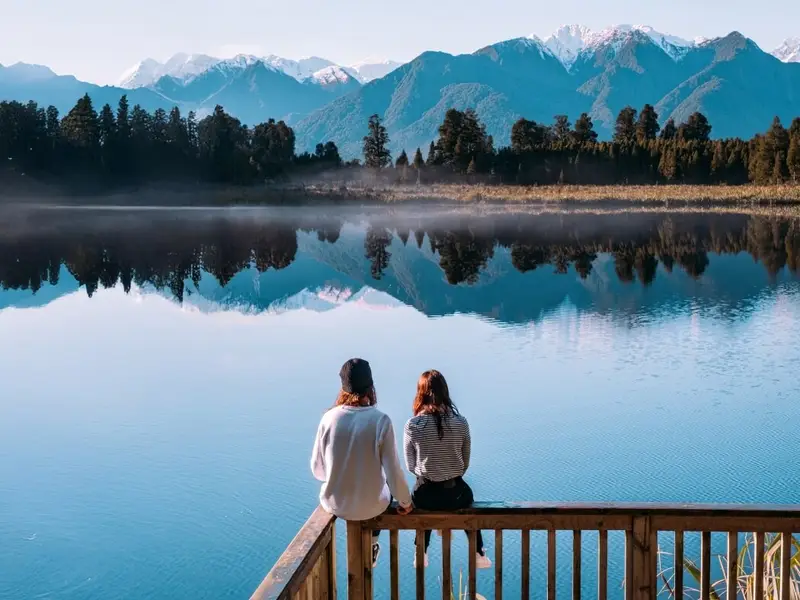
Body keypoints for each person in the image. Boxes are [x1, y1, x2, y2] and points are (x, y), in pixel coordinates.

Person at [311, 358, 413, 567]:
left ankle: (369, 546)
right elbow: (393, 472)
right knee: (385, 486)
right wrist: (406, 502)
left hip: (335, 504)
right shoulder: (380, 420)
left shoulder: (328, 419)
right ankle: (373, 542)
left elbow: (318, 471)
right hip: (373, 506)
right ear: (371, 387)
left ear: (343, 388)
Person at [403, 370, 490, 569]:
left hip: (426, 496)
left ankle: (421, 551)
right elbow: (464, 462)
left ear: (421, 394)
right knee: (468, 496)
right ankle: (478, 552)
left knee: (420, 493)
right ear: (446, 393)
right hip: (455, 496)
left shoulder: (413, 425)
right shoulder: (461, 423)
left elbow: (410, 466)